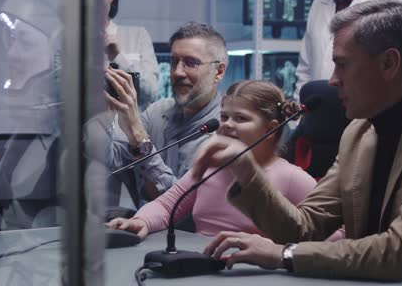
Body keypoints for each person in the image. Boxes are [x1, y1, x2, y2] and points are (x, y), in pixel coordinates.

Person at [196, 0, 402, 281]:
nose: (333, 80)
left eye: (341, 65)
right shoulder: (357, 134)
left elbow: (400, 252)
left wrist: (285, 254)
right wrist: (246, 171)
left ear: (388, 63)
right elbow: (303, 228)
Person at [106, 80, 316, 238]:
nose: (226, 124)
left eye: (241, 118)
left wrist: (279, 249)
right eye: (224, 116)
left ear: (271, 130)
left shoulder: (292, 178)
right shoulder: (210, 169)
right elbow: (166, 206)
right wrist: (141, 221)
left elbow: (332, 235)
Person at [105, 21, 228, 208]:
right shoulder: (157, 113)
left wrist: (139, 138)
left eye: (191, 63)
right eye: (173, 62)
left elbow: (185, 208)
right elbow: (111, 160)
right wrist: (102, 114)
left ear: (218, 71)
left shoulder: (226, 131)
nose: (177, 72)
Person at [293, 0, 402, 101]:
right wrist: (300, 109)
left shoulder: (393, 3)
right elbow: (306, 68)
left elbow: (395, 76)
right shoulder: (318, 3)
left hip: (365, 110)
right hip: (318, 109)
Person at [104, 0, 158, 111]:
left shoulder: (138, 35)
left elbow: (151, 92)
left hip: (130, 129)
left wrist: (118, 57)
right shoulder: (69, 43)